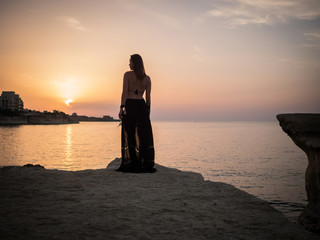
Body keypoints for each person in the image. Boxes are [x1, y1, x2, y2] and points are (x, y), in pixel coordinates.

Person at [118, 54, 156, 173]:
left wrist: (121, 108)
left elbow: (124, 93)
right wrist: (148, 110)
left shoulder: (127, 75)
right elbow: (148, 97)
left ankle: (133, 162)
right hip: (142, 106)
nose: (129, 64)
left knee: (130, 134)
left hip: (130, 105)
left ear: (135, 63)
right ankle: (143, 161)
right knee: (143, 135)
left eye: (130, 62)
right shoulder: (147, 78)